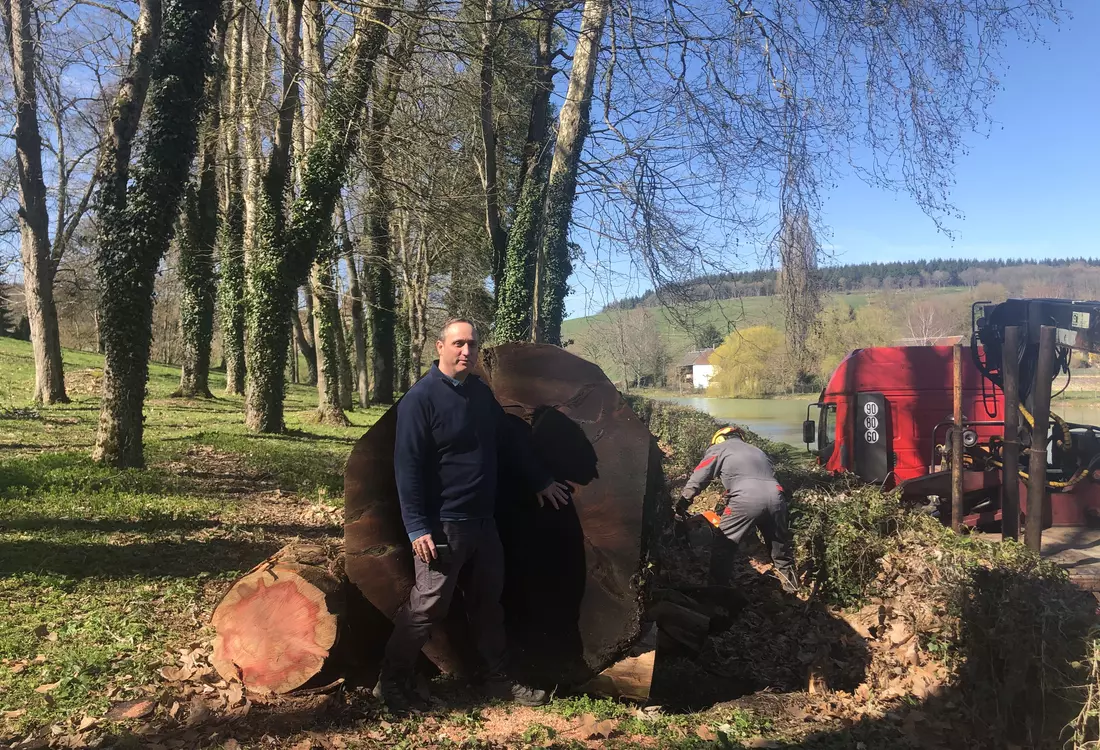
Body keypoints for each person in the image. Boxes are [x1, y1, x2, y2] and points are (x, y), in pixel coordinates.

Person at [376, 318, 573, 712]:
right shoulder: (421, 399)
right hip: (443, 527)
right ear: (440, 347)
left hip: (484, 524)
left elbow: (509, 440)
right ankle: (391, 682)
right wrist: (417, 526)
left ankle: (496, 679)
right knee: (427, 606)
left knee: (488, 603)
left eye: (472, 345)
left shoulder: (480, 394)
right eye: (459, 343)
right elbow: (407, 467)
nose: (467, 351)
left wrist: (540, 480)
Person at [677, 426, 799, 593]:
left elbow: (700, 476)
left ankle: (717, 591)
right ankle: (791, 587)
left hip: (745, 499)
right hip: (776, 498)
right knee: (779, 545)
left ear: (719, 439)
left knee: (723, 545)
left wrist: (684, 500)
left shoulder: (718, 449)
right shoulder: (758, 451)